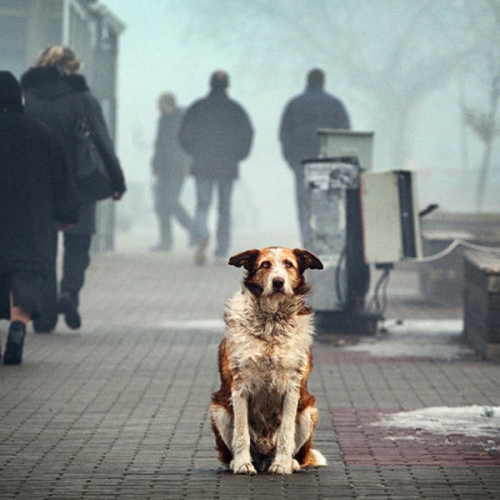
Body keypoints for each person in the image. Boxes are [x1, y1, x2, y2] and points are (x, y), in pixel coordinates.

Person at [20, 45, 127, 332]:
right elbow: (103, 142)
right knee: (78, 245)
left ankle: (45, 315)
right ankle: (69, 292)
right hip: (80, 184)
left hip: (38, 187)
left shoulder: (26, 98)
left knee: (43, 248)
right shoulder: (83, 99)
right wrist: (117, 182)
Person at [0, 71, 80, 364]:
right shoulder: (41, 133)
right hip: (30, 224)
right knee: (25, 275)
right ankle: (18, 326)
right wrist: (67, 214)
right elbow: (63, 178)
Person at [179, 70, 253, 265]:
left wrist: (193, 151)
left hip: (202, 164)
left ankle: (202, 234)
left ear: (209, 84)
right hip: (227, 166)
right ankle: (222, 250)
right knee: (224, 208)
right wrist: (239, 156)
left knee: (202, 205)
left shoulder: (198, 107)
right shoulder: (236, 109)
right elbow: (248, 134)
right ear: (227, 85)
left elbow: (183, 133)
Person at [279, 68, 351, 247]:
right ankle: (327, 243)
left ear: (307, 81)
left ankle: (307, 243)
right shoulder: (335, 104)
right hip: (329, 163)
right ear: (323, 82)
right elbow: (345, 133)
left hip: (301, 162)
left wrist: (290, 159)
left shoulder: (294, 104)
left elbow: (284, 134)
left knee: (304, 207)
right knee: (328, 204)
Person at [151, 92, 194, 251]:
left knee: (172, 202)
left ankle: (194, 231)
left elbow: (188, 144)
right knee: (161, 205)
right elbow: (159, 144)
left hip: (177, 168)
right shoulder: (163, 119)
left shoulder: (182, 119)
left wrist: (187, 164)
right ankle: (165, 242)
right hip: (163, 168)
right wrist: (155, 165)